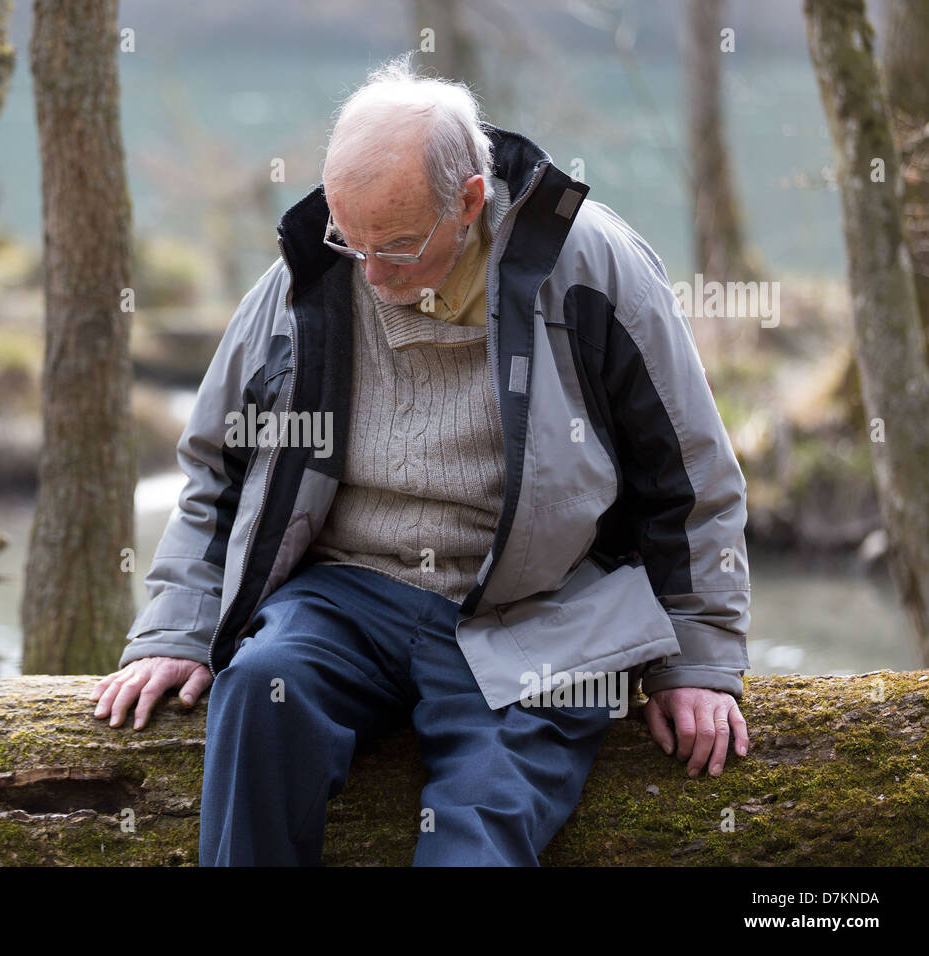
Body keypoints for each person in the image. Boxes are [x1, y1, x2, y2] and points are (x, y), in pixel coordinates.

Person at [91, 53, 752, 866]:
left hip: (537, 613)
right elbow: (218, 471)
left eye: (396, 248)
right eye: (349, 235)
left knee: (480, 833)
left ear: (468, 201)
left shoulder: (594, 269)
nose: (367, 272)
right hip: (346, 598)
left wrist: (700, 659)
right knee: (263, 692)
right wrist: (177, 631)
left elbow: (687, 476)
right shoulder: (309, 280)